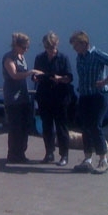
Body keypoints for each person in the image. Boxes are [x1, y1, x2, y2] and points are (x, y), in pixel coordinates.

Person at [69, 31, 108, 174]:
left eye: (76, 45)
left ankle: (103, 160)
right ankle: (87, 160)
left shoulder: (96, 54)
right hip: (85, 96)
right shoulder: (80, 57)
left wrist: (105, 81)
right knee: (85, 127)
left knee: (95, 126)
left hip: (98, 95)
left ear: (84, 43)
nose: (74, 49)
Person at [32, 31, 73, 166]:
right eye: (47, 47)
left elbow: (69, 78)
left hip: (60, 96)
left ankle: (64, 155)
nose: (50, 50)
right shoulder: (40, 58)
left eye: (52, 47)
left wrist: (59, 78)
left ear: (56, 45)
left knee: (61, 126)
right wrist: (36, 77)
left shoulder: (63, 58)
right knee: (47, 126)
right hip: (44, 96)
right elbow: (34, 74)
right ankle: (49, 153)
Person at [2, 32, 43, 164]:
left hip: (23, 96)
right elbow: (14, 75)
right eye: (24, 47)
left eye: (27, 47)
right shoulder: (9, 58)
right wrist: (30, 72)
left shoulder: (21, 57)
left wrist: (33, 76)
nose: (26, 50)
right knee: (15, 127)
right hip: (12, 98)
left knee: (24, 126)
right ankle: (13, 154)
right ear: (17, 46)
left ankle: (21, 152)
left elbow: (23, 75)